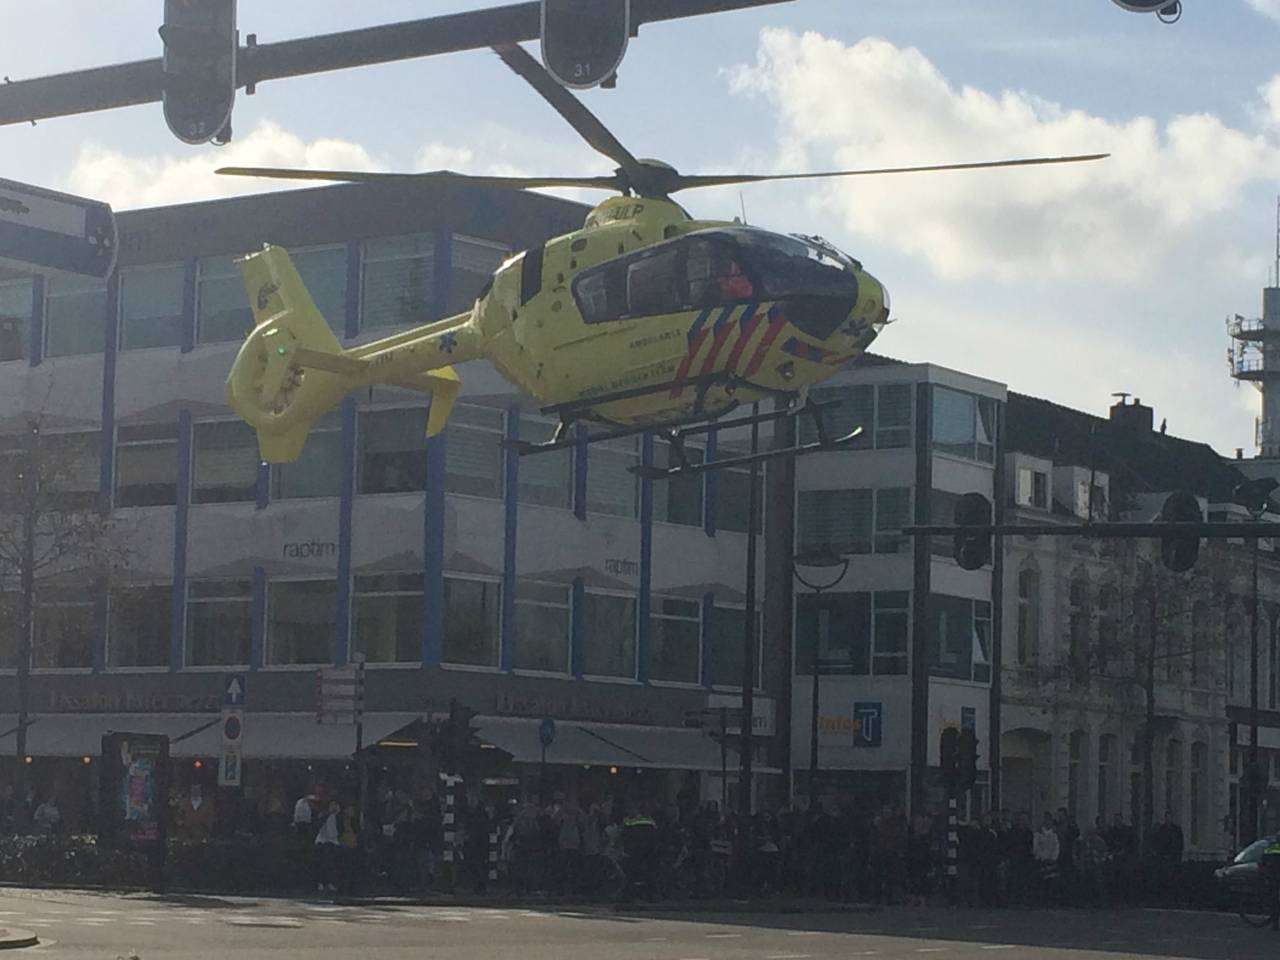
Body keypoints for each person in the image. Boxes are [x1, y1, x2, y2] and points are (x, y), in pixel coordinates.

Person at [1073, 821, 1109, 907]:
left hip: (1096, 865)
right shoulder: (1080, 841)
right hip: (1083, 865)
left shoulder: (1100, 841)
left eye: (1092, 831)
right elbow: (1074, 853)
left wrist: (1101, 860)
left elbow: (1105, 853)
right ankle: (1083, 901)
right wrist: (1077, 861)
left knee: (1098, 879)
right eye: (1088, 831)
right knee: (1082, 879)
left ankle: (1100, 901)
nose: (1090, 834)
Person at [314, 800, 341, 894]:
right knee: (324, 862)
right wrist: (329, 813)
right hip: (323, 840)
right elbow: (318, 824)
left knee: (333, 863)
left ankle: (330, 882)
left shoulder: (337, 817)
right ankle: (321, 882)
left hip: (334, 841)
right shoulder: (323, 814)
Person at [1033, 812, 1060, 904]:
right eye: (1046, 820)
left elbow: (1056, 847)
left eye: (1049, 820)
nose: (1048, 822)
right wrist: (1042, 857)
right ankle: (1041, 899)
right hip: (1041, 861)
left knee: (1052, 881)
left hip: (1051, 861)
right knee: (1041, 881)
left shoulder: (1054, 835)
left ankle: (1050, 899)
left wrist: (1053, 858)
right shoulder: (1038, 834)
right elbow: (1036, 848)